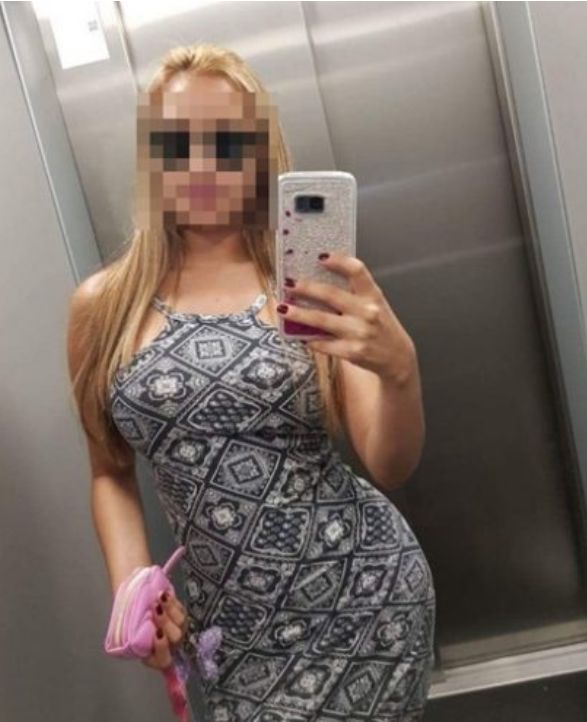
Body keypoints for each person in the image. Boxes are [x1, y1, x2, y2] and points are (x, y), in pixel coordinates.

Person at [67, 42, 436, 721]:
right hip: (235, 631)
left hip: (363, 597)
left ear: (261, 154)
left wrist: (400, 371)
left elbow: (389, 462)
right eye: (179, 142)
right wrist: (132, 585)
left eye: (227, 141)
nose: (203, 164)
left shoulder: (307, 284)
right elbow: (108, 471)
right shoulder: (103, 306)